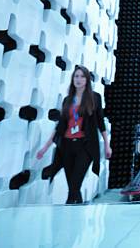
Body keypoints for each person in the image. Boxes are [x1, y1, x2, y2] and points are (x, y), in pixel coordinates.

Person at [36, 65, 112, 204]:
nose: (79, 79)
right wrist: (45, 148)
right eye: (76, 76)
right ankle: (77, 215)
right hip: (67, 146)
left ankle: (68, 214)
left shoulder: (94, 98)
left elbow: (101, 123)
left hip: (85, 146)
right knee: (73, 187)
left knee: (74, 185)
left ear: (87, 79)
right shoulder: (67, 100)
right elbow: (60, 127)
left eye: (82, 76)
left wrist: (107, 145)